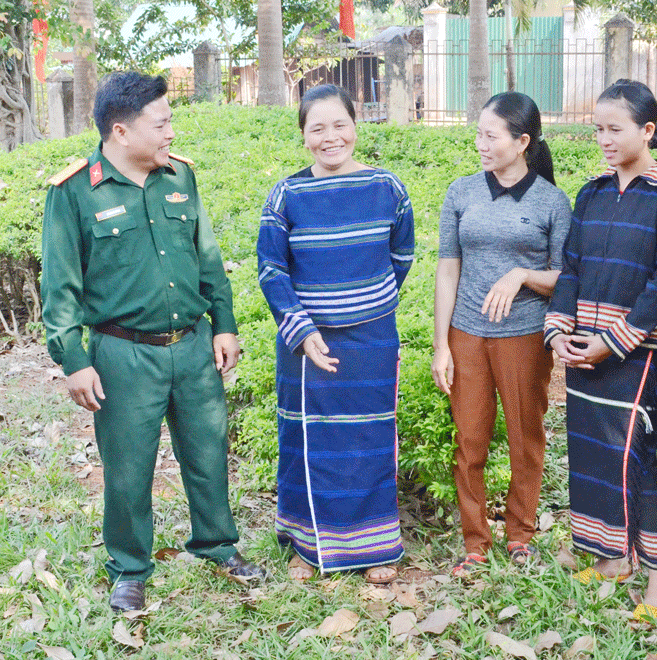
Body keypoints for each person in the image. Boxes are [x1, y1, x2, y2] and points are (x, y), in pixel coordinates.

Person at [41, 72, 263, 613]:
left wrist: (226, 323)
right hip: (122, 353)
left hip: (192, 344)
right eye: (160, 123)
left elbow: (207, 257)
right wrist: (73, 360)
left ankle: (217, 544)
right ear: (121, 130)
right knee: (128, 466)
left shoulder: (180, 177)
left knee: (208, 453)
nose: (170, 132)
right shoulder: (74, 192)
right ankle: (130, 567)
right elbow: (61, 287)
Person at [545, 79, 657, 617]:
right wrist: (559, 331)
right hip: (583, 349)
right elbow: (572, 268)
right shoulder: (592, 191)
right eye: (598, 129)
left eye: (615, 129)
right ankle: (610, 558)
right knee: (591, 454)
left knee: (637, 460)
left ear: (647, 130)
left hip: (635, 354)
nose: (603, 139)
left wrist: (613, 343)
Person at [257, 84, 414, 584]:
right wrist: (302, 329)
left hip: (371, 341)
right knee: (310, 440)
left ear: (356, 125)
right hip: (305, 344)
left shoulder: (387, 187)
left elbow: (401, 257)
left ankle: (373, 548)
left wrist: (366, 305)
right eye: (317, 128)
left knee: (367, 439)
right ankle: (308, 547)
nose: (330, 137)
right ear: (303, 136)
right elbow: (270, 269)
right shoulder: (287, 193)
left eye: (339, 124)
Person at [432, 91, 571, 576]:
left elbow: (565, 277)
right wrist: (440, 344)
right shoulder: (462, 192)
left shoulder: (552, 201)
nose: (481, 144)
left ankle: (520, 533)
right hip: (467, 333)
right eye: (479, 134)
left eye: (490, 136)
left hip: (525, 337)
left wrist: (521, 276)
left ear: (522, 141)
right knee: (469, 440)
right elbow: (447, 270)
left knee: (524, 437)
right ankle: (475, 541)